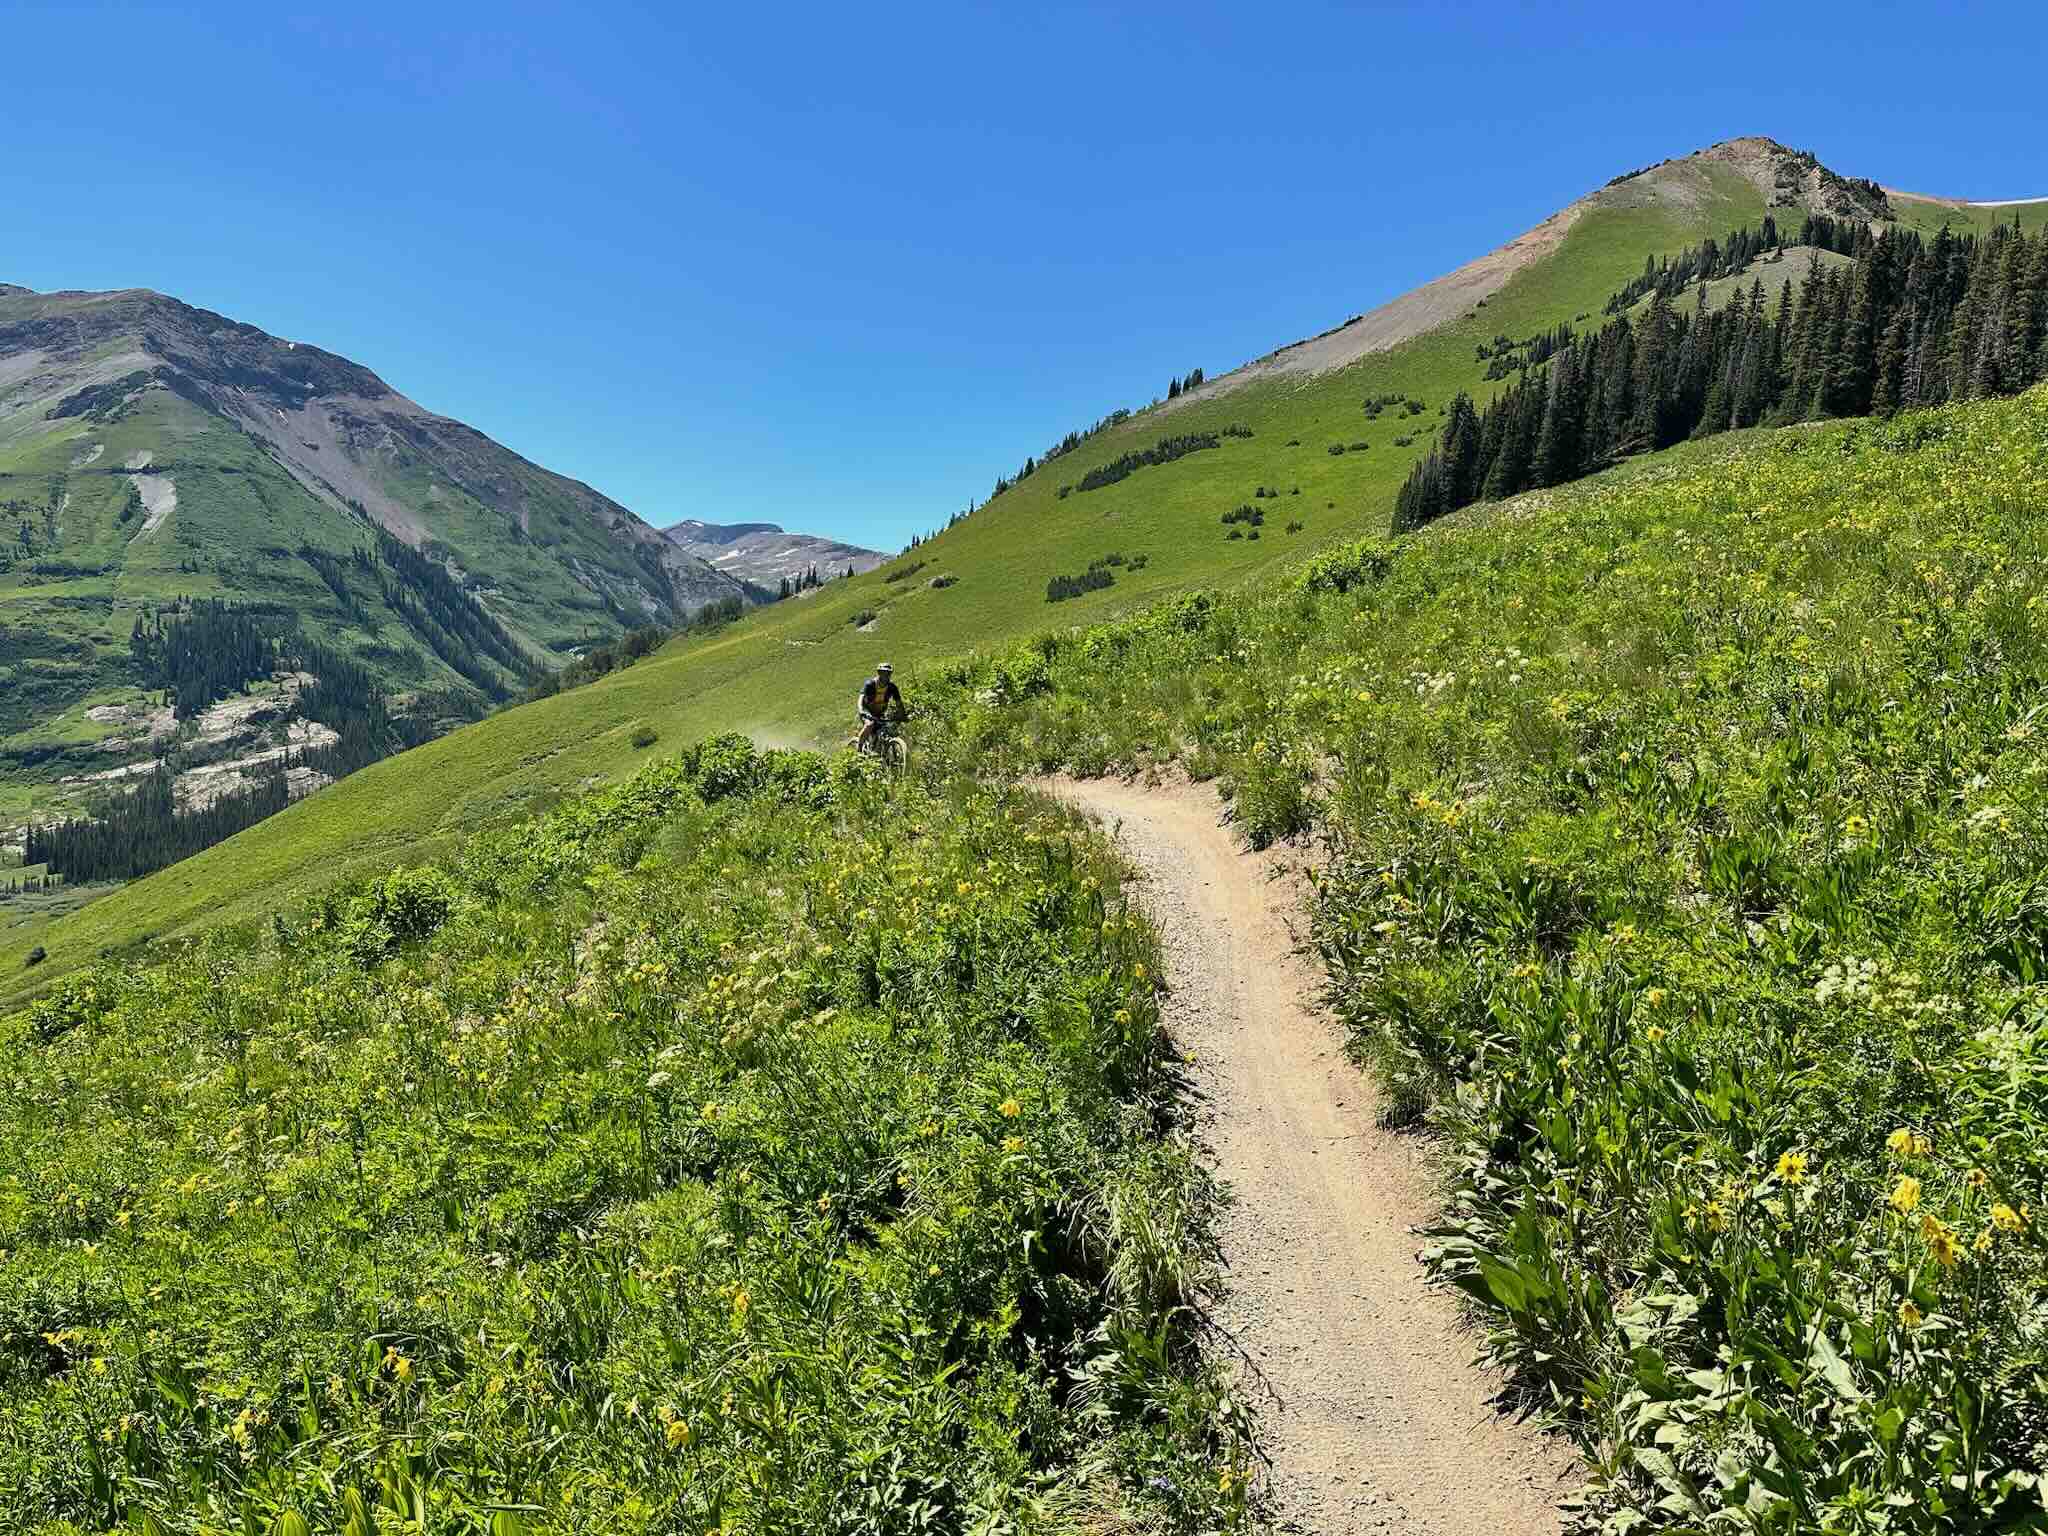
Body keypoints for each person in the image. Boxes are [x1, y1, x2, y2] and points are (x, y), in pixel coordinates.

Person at [856, 662, 905, 752]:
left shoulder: (892, 687)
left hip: (880, 713)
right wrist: (861, 711)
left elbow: (899, 703)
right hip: (866, 711)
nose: (886, 676)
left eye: (888, 673)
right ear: (879, 673)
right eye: (883, 673)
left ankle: (880, 751)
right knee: (870, 725)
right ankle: (859, 750)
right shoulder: (870, 684)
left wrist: (902, 715)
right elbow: (860, 699)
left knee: (888, 729)